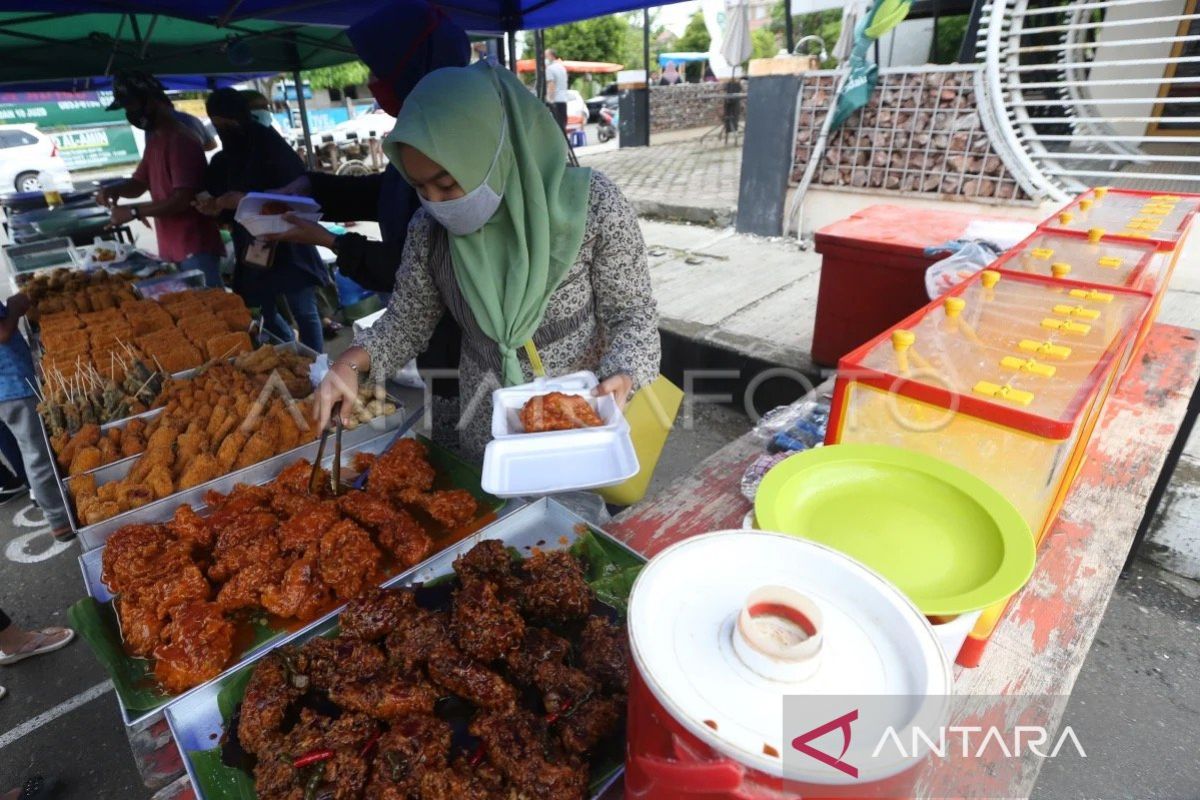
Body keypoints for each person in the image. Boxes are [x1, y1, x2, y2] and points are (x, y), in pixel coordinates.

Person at [313, 62, 661, 460]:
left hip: (584, 418)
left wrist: (624, 374)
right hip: (488, 422)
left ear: (494, 152)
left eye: (446, 183)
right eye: (420, 187)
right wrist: (352, 363)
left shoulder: (592, 207)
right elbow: (407, 321)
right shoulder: (429, 232)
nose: (436, 202)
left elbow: (633, 313)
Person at [195, 88, 327, 354]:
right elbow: (217, 197)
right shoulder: (224, 160)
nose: (226, 131)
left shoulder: (273, 148)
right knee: (257, 308)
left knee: (304, 309)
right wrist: (215, 208)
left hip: (290, 240)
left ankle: (318, 363)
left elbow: (299, 192)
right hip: (252, 247)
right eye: (219, 125)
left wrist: (246, 198)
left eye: (229, 124)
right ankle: (290, 346)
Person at [96, 71, 225, 288]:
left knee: (214, 311)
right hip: (172, 246)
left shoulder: (180, 140)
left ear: (153, 101)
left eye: (132, 106)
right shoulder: (156, 140)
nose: (130, 113)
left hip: (195, 245)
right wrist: (114, 190)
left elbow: (182, 199)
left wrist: (133, 212)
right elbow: (138, 185)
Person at [0, 294, 72, 542]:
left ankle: (57, 509)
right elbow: (1, 333)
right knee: (37, 454)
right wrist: (14, 309)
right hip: (10, 387)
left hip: (9, 385)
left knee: (32, 450)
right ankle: (60, 520)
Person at [545, 48, 570, 132]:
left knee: (557, 128)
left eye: (546, 56)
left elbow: (551, 85)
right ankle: (566, 143)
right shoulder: (562, 68)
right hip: (563, 100)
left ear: (551, 56)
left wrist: (549, 99)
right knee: (562, 125)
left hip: (555, 101)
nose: (545, 59)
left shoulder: (550, 69)